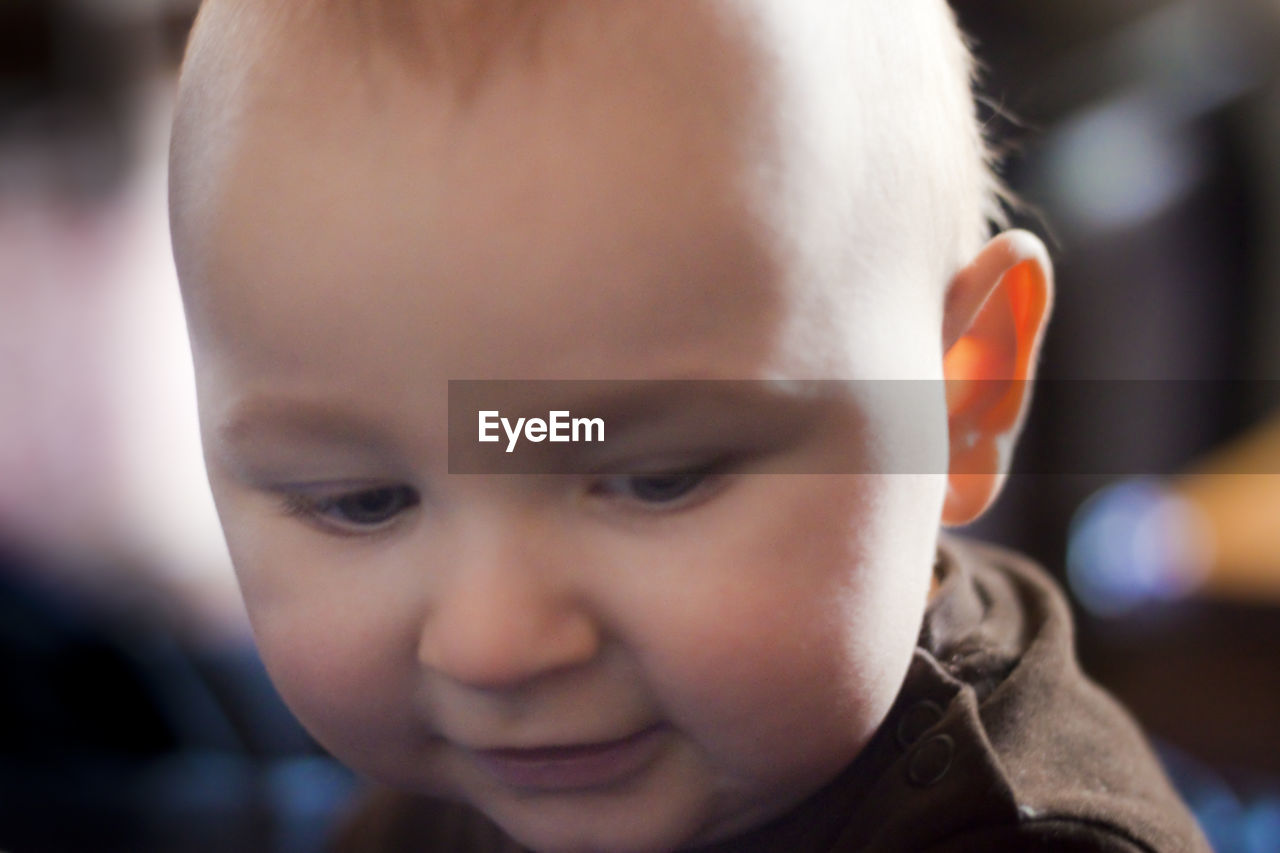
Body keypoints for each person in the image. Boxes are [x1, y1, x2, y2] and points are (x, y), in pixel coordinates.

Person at [167, 1, 1210, 850]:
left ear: (956, 392)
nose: (493, 644)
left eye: (655, 477)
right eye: (364, 501)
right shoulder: (461, 783)